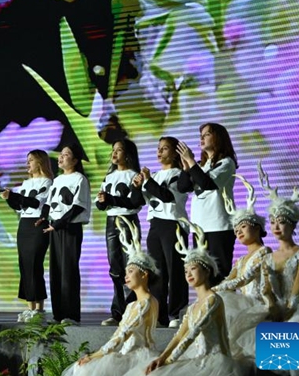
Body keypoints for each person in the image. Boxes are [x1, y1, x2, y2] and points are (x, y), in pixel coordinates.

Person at [140, 220, 248, 376]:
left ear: (207, 272)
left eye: (193, 269)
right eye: (185, 271)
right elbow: (179, 336)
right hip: (199, 360)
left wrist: (169, 361)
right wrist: (162, 357)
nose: (188, 274)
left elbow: (193, 333)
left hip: (216, 363)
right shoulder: (192, 307)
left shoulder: (213, 299)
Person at [64, 215, 159, 376]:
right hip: (127, 353)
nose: (126, 276)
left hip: (137, 358)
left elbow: (123, 334)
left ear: (144, 274)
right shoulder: (133, 304)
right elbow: (118, 333)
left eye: (130, 271)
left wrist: (95, 355)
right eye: (126, 272)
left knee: (85, 369)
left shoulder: (146, 302)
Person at [258, 161, 299, 375]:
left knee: (291, 328)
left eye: (282, 221)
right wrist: (272, 305)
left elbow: (298, 286)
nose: (276, 226)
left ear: (293, 225)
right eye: (273, 221)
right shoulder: (267, 255)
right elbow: (265, 287)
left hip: (297, 308)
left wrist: (286, 310)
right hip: (276, 307)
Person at [211, 176, 274, 360]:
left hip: (261, 304)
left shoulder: (264, 251)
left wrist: (215, 288)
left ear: (257, 228)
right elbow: (230, 280)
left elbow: (245, 278)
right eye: (236, 229)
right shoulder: (240, 259)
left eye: (243, 227)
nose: (238, 232)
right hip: (246, 305)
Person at [129, 136, 189, 328]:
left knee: (175, 270)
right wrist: (137, 186)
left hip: (174, 224)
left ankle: (176, 313)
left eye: (164, 148)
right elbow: (138, 201)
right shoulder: (153, 175)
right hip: (155, 225)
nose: (159, 152)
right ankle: (159, 314)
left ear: (175, 152)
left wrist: (148, 180)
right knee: (157, 272)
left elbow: (168, 196)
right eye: (158, 148)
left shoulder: (179, 174)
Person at [176, 123, 238, 280]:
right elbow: (183, 187)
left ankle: (223, 304)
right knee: (203, 275)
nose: (202, 138)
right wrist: (186, 168)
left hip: (219, 226)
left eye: (207, 134)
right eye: (201, 135)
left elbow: (207, 184)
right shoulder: (201, 165)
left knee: (219, 275)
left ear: (218, 138)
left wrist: (191, 162)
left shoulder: (226, 163)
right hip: (199, 227)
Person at [0, 150, 53, 322]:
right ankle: (30, 308)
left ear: (40, 162)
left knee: (35, 265)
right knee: (24, 265)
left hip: (38, 225)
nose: (27, 163)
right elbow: (20, 206)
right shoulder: (26, 183)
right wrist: (9, 198)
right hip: (24, 225)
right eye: (27, 160)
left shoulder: (47, 182)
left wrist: (15, 196)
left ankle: (40, 309)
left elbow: (36, 202)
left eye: (30, 160)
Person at [42, 143, 90, 325]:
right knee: (55, 270)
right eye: (60, 154)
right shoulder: (57, 180)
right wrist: (43, 218)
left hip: (70, 228)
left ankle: (71, 315)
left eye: (66, 154)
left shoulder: (80, 179)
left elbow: (78, 206)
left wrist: (60, 223)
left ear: (75, 160)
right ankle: (58, 314)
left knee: (68, 270)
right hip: (54, 228)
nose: (61, 157)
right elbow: (49, 203)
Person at [96, 138, 143, 326]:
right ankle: (118, 312)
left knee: (130, 267)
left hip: (128, 221)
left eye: (119, 150)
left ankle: (133, 309)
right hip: (111, 222)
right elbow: (101, 204)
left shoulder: (134, 175)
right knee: (114, 269)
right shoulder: (109, 176)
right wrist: (102, 201)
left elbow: (135, 202)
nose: (114, 154)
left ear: (128, 154)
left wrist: (111, 199)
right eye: (113, 150)